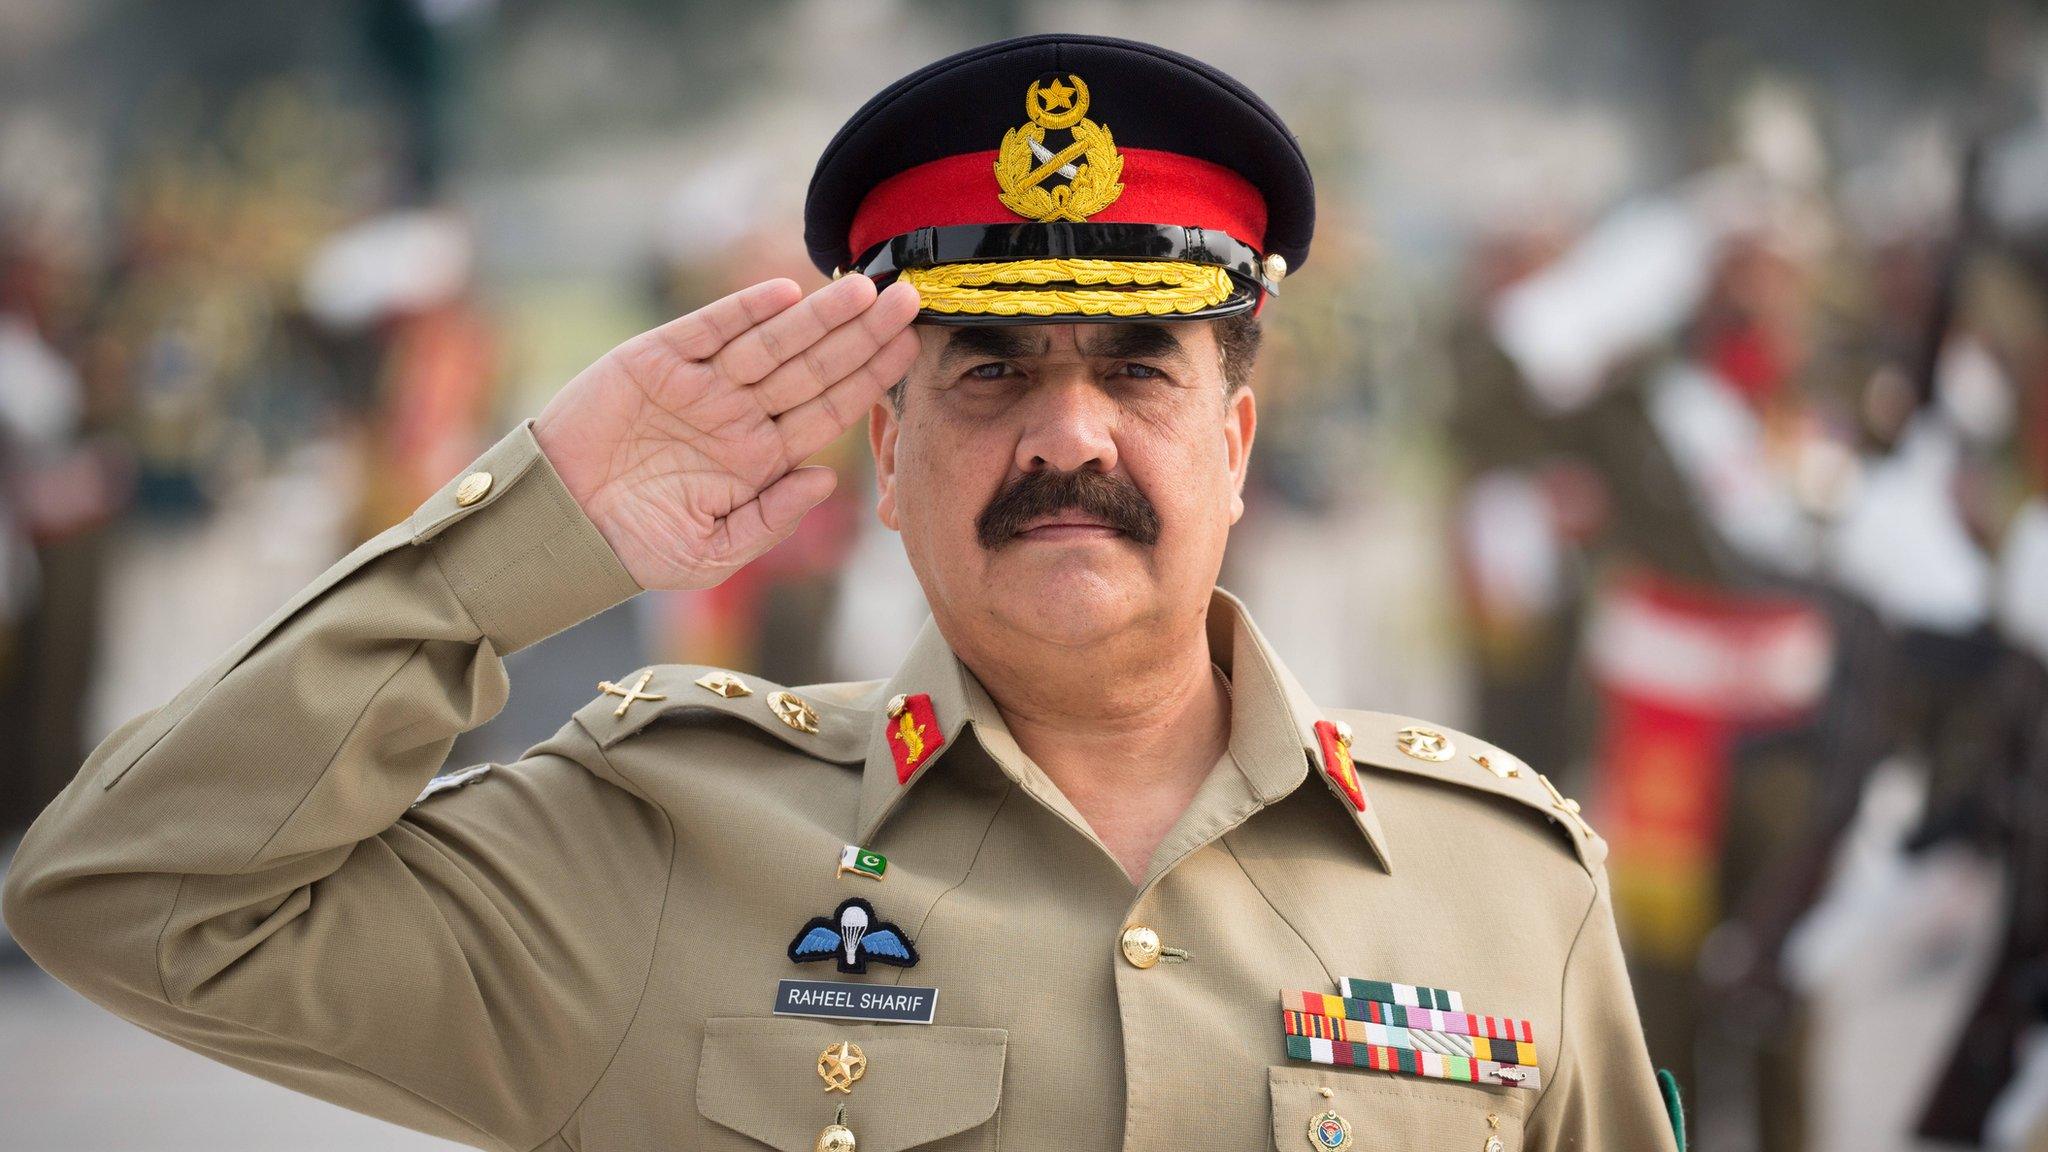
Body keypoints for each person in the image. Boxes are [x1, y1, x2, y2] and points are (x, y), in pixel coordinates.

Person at [5, 34, 1679, 1152]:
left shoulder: (1505, 888)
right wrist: (532, 538)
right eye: (988, 372)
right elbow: (122, 891)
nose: (1065, 435)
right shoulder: (652, 845)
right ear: (887, 453)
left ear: (1236, 442)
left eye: (1140, 370)